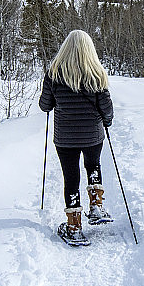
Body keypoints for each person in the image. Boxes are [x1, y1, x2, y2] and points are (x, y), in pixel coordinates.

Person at [39, 30, 114, 246]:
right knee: (93, 165)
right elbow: (106, 108)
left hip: (65, 137)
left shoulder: (54, 74)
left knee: (70, 177)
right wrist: (107, 121)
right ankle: (97, 207)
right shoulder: (97, 74)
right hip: (92, 134)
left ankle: (74, 227)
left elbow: (45, 105)